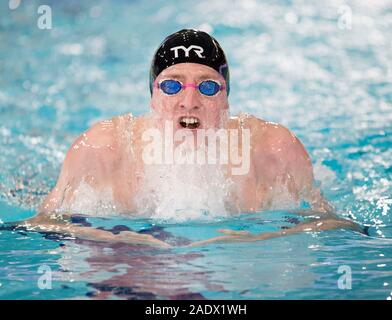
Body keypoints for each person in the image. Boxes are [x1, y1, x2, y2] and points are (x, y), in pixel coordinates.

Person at [21, 29, 364, 248]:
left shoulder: (274, 150)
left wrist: (257, 236)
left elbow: (337, 226)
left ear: (226, 99)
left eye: (207, 86)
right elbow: (41, 226)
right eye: (172, 85)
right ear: (152, 98)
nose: (189, 101)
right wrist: (126, 238)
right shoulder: (103, 148)